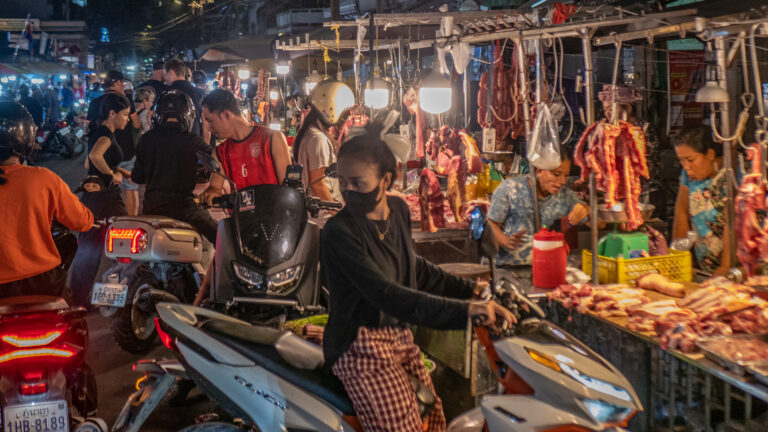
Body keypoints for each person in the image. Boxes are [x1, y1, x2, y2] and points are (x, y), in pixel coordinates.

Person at [321, 121, 514, 431]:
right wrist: (468, 313)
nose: (347, 191)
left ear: (385, 180)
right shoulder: (338, 231)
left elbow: (415, 269)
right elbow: (387, 295)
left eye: (358, 183)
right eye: (342, 182)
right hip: (361, 346)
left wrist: (471, 290)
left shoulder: (397, 211)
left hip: (399, 336)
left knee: (435, 416)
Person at [0, 101, 94, 300]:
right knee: (72, 322)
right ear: (26, 137)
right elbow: (82, 221)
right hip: (44, 283)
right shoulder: (44, 179)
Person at [70, 93, 131, 306]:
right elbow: (95, 157)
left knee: (91, 249)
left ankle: (78, 298)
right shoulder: (106, 134)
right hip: (105, 198)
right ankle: (113, 299)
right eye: (124, 114)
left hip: (95, 197)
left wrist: (118, 170)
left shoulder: (100, 132)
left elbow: (90, 163)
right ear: (112, 113)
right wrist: (111, 176)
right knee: (126, 243)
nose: (128, 119)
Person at [132, 91, 217, 243]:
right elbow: (216, 158)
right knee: (222, 237)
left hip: (152, 210)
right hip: (185, 210)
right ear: (188, 115)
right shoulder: (192, 140)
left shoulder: (146, 139)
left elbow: (137, 177)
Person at [488, 148, 590, 266]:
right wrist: (505, 241)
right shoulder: (510, 188)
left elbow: (599, 224)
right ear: (539, 170)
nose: (562, 181)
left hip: (543, 267)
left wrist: (587, 210)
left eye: (566, 175)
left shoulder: (564, 195)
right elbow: (491, 224)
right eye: (556, 174)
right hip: (505, 268)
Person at [198, 89, 291, 205]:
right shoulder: (220, 152)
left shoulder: (272, 138)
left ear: (227, 115)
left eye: (210, 121)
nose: (209, 128)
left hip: (274, 216)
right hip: (240, 219)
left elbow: (288, 187)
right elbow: (215, 187)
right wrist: (211, 193)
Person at [672, 126, 730, 276]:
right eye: (681, 160)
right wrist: (678, 258)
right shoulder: (688, 175)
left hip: (735, 266)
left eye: (690, 160)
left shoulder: (733, 173)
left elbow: (734, 223)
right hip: (704, 263)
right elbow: (682, 212)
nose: (686, 167)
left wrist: (725, 267)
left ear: (710, 154)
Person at [292, 82, 346, 201]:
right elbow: (318, 184)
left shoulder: (309, 133)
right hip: (323, 214)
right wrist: (337, 213)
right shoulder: (318, 139)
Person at [165, 58, 205, 136]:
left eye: (166, 74)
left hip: (170, 141)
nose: (165, 77)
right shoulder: (200, 93)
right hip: (194, 141)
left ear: (171, 72)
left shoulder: (165, 93)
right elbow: (206, 123)